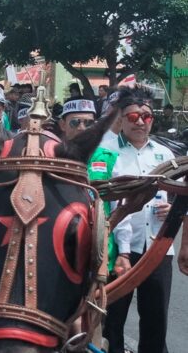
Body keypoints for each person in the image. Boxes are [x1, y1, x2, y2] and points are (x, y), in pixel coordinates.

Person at [101, 87, 175, 353]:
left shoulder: (165, 155)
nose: (141, 121)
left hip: (157, 246)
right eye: (133, 117)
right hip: (119, 250)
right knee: (113, 318)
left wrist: (172, 207)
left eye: (147, 116)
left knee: (156, 319)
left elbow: (181, 194)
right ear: (120, 118)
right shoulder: (106, 153)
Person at [58, 96, 119, 274]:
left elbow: (117, 207)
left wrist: (124, 252)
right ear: (62, 124)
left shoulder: (109, 158)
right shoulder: (47, 156)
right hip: (57, 250)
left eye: (88, 122)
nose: (82, 128)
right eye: (75, 122)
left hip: (99, 251)